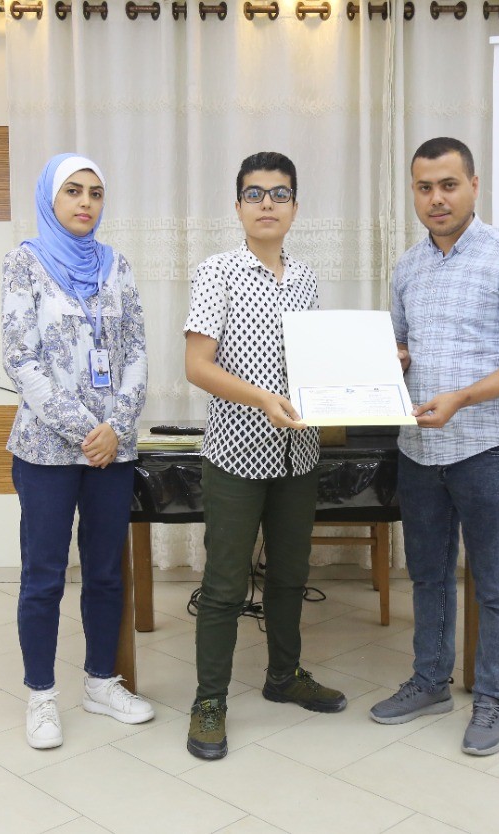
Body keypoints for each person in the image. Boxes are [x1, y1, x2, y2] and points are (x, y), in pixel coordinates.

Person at [370, 137, 499, 756]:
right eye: (424, 187)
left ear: (474, 185)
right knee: (428, 576)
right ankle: (430, 682)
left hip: (488, 447)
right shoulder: (406, 267)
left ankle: (494, 697)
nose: (437, 199)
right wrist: (389, 360)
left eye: (449, 185)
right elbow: (398, 347)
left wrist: (462, 398)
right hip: (419, 450)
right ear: (414, 193)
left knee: (494, 581)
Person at [182, 151, 347, 761]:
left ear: (295, 207)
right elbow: (197, 366)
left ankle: (284, 676)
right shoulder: (217, 273)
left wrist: (367, 371)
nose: (267, 203)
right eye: (255, 194)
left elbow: (317, 362)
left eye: (279, 193)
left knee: (290, 576)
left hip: (297, 455)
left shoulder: (305, 279)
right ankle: (209, 702)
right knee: (224, 585)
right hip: (235, 453)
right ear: (238, 207)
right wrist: (261, 399)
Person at [2, 153, 155, 750]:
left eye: (95, 192)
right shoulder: (24, 262)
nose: (85, 202)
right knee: (44, 575)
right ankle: (41, 694)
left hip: (112, 452)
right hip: (46, 450)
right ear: (50, 198)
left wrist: (115, 426)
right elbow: (20, 358)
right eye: (72, 191)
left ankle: (100, 681)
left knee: (106, 571)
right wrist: (86, 429)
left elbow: (137, 351)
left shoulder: (118, 266)